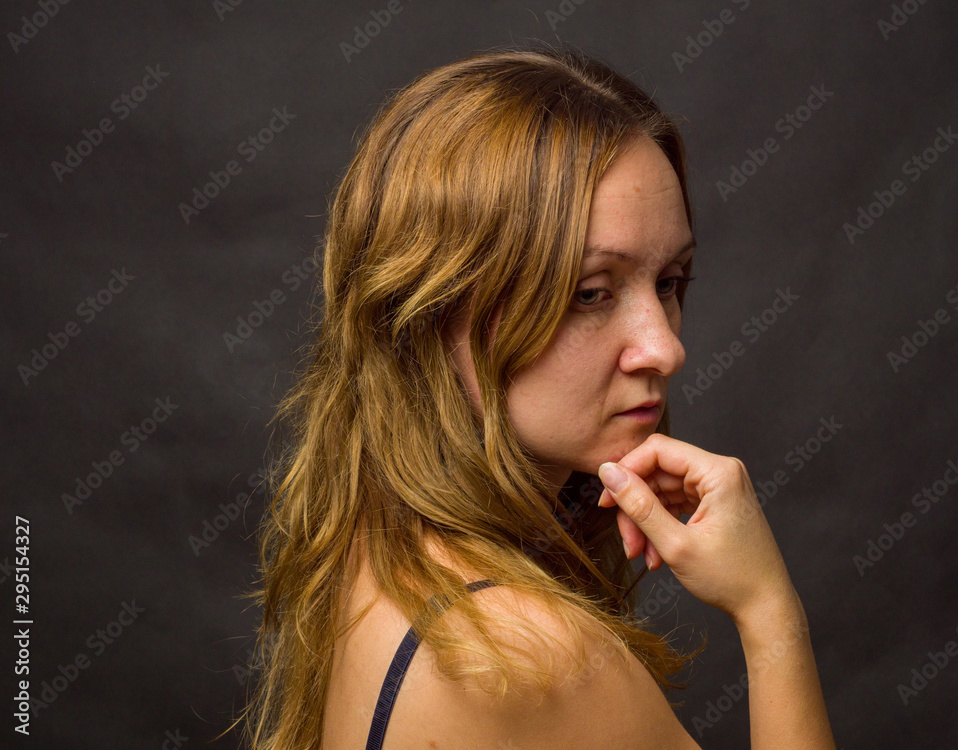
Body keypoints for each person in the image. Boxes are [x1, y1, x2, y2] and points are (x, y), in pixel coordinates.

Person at [232, 43, 837, 750]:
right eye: (591, 293)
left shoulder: (382, 560)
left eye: (670, 282)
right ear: (433, 311)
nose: (666, 348)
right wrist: (769, 611)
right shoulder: (528, 659)